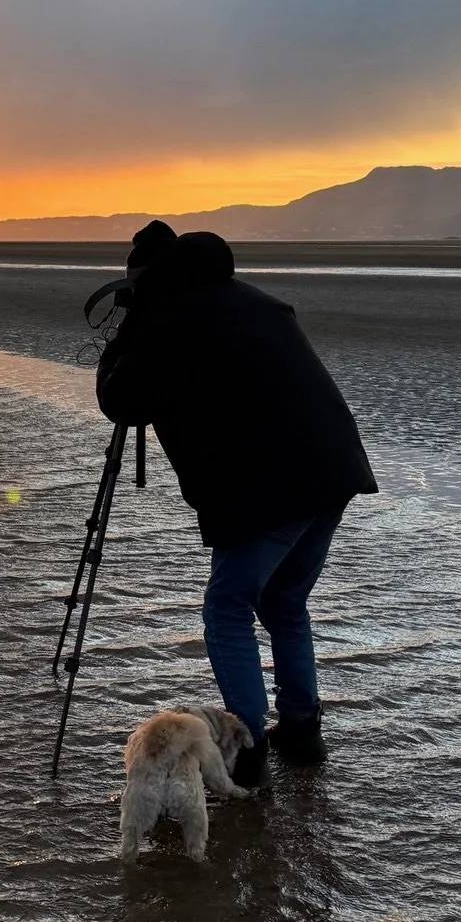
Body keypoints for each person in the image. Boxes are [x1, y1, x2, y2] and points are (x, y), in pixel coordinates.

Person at [96, 222, 377, 787]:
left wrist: (133, 325)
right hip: (334, 468)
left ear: (147, 281)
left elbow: (119, 399)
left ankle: (245, 750)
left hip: (269, 485)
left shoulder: (173, 317)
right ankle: (301, 731)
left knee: (227, 607)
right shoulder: (251, 299)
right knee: (284, 603)